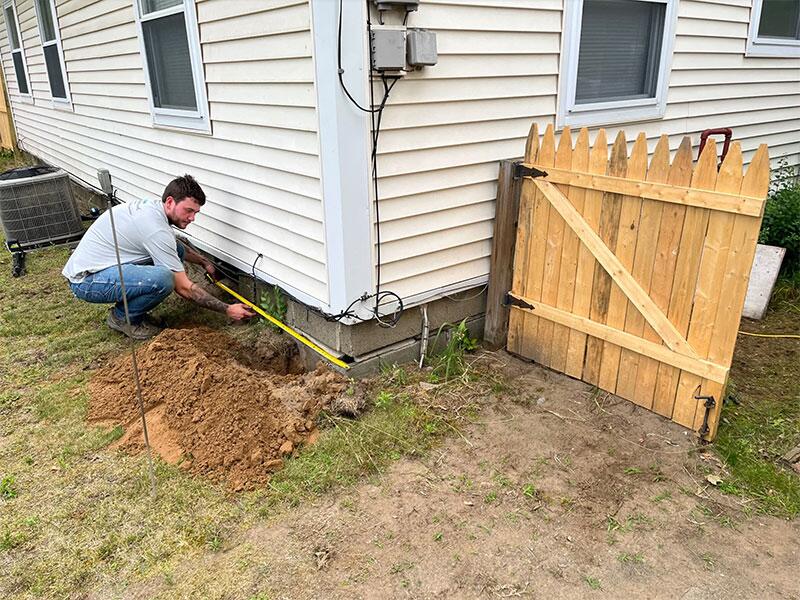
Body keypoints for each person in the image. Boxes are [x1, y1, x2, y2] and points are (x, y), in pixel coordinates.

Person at [63, 174, 254, 340]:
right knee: (164, 279)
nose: (192, 218)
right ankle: (122, 318)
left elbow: (174, 247)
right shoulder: (155, 229)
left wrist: (204, 262)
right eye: (188, 210)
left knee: (174, 250)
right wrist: (228, 309)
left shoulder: (155, 210)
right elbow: (184, 288)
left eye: (196, 213)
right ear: (170, 201)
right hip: (87, 281)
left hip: (104, 265)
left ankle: (131, 311)